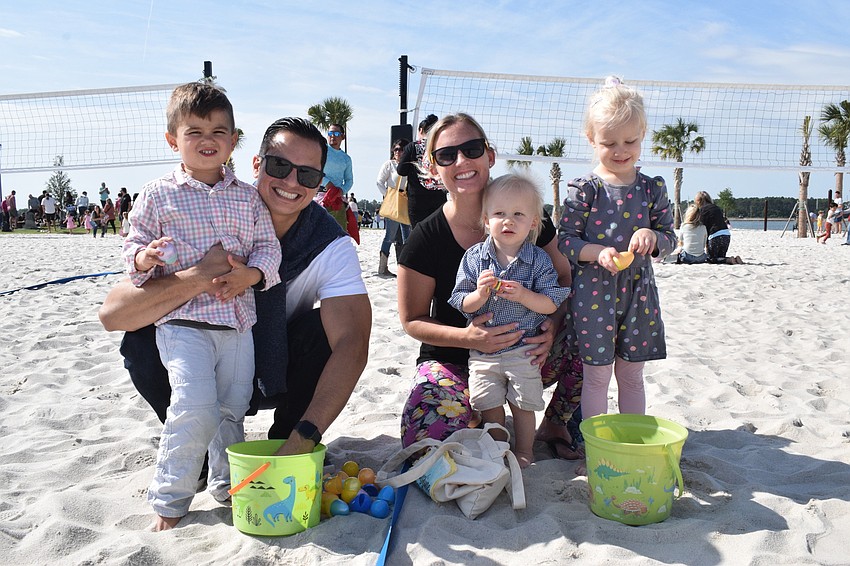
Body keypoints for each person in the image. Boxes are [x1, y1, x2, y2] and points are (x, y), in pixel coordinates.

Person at [98, 116, 370, 524]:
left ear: (320, 183)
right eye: (280, 167)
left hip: (278, 368)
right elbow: (113, 314)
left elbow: (353, 345)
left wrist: (306, 437)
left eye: (309, 174)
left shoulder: (329, 244)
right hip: (204, 355)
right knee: (139, 337)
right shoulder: (206, 215)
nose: (292, 182)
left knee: (325, 332)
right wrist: (199, 275)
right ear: (257, 164)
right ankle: (201, 453)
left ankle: (286, 444)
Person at [119, 82, 282, 531]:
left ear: (233, 140)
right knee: (193, 405)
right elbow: (131, 243)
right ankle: (170, 497)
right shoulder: (157, 194)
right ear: (173, 140)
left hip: (237, 324)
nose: (207, 139)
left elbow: (268, 249)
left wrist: (251, 275)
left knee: (233, 406)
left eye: (219, 130)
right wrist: (143, 257)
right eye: (194, 131)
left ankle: (225, 485)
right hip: (184, 324)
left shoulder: (247, 197)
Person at [396, 113, 584, 459]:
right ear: (433, 168)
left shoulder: (524, 216)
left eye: (471, 149)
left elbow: (565, 279)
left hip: (525, 354)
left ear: (490, 155)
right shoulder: (425, 237)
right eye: (446, 155)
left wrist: (551, 326)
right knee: (425, 439)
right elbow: (412, 320)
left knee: (594, 325)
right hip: (455, 360)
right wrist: (469, 338)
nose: (462, 161)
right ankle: (477, 413)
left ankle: (557, 421)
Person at [559, 76, 677, 420]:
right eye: (609, 143)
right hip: (594, 293)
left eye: (631, 141)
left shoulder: (651, 187)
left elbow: (669, 237)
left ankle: (630, 442)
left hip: (638, 293)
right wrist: (596, 252)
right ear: (591, 139)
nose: (621, 151)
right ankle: (593, 449)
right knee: (596, 377)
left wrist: (652, 237)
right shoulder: (586, 189)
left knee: (631, 376)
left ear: (643, 135)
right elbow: (566, 240)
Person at [448, 174, 569, 467]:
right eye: (500, 213)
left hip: (524, 349)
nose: (508, 221)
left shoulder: (538, 259)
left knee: (524, 403)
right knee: (489, 403)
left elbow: (552, 300)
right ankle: (499, 448)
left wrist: (526, 296)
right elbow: (461, 301)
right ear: (486, 220)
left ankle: (525, 450)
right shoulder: (475, 258)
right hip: (484, 353)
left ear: (533, 223)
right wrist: (479, 294)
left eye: (518, 214)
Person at [397, 114, 447, 228]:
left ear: (421, 130)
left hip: (417, 197)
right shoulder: (442, 146)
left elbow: (401, 171)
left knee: (419, 233)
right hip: (439, 196)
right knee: (438, 231)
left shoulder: (412, 147)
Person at [376, 139, 411, 277]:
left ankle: (406, 268)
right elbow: (379, 182)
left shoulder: (410, 165)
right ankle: (382, 267)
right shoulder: (389, 165)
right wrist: (388, 196)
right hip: (393, 203)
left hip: (406, 203)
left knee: (407, 237)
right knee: (389, 236)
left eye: (402, 149)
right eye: (396, 149)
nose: (399, 152)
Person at [318, 124, 359, 243]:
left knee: (339, 235)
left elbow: (349, 180)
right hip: (319, 196)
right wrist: (328, 184)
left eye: (336, 134)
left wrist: (341, 190)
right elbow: (316, 171)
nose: (332, 137)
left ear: (343, 137)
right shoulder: (322, 151)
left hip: (337, 199)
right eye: (330, 134)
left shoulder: (346, 158)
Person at [693, 191, 742, 263]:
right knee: (720, 257)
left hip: (715, 236)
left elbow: (703, 228)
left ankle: (729, 260)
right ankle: (735, 259)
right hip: (726, 235)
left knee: (711, 259)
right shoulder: (716, 208)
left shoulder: (703, 210)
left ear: (698, 201)